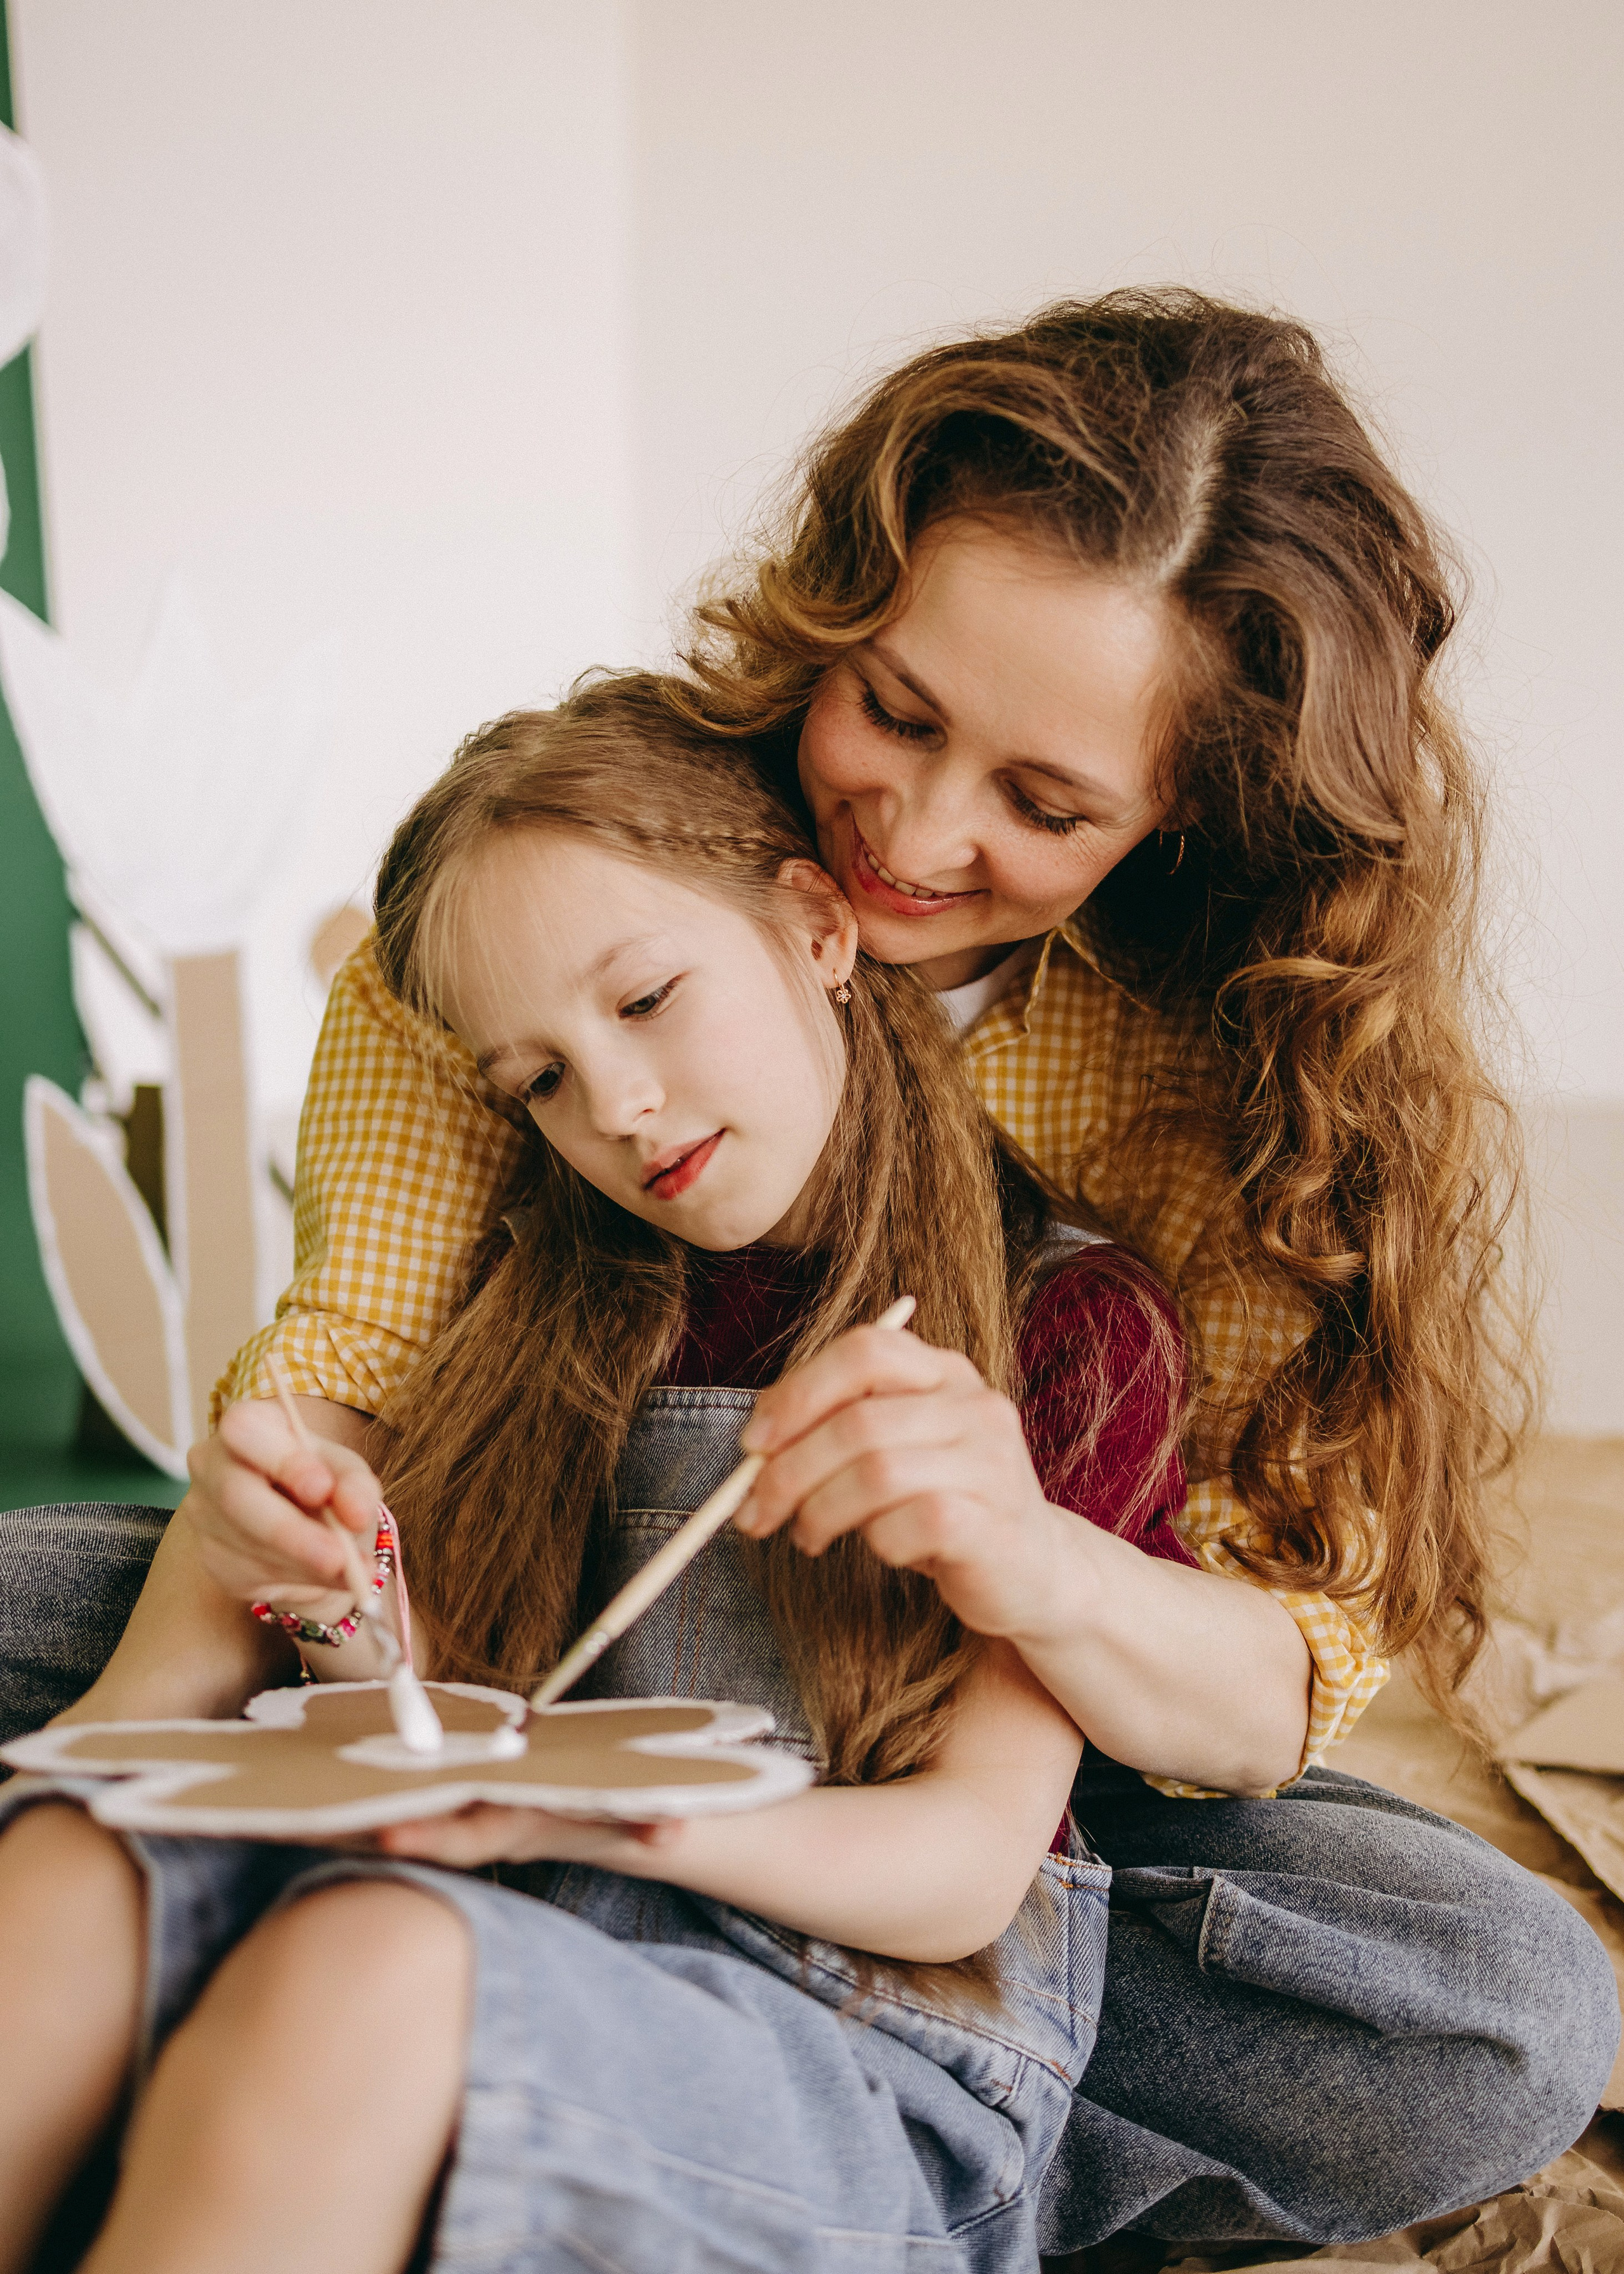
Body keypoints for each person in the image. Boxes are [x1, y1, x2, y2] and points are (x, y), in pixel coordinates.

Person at [1, 287, 1616, 2251]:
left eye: (1045, 805)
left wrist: (1018, 1560)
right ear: (841, 608)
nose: (913, 839)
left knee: (1482, 1989)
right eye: (902, 713)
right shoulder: (553, 887)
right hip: (520, 1596)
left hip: (987, 1713)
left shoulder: (1204, 1128)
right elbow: (353, 1394)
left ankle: (715, 2108)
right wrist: (210, 1669)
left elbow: (1258, 1677)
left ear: (1188, 804)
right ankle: (511, 2036)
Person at [0, 684, 1195, 2273]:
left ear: (817, 930)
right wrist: (342, 1609)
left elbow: (965, 1868)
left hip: (864, 2035)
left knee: (364, 1966)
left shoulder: (1068, 1324)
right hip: (531, 1909)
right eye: (538, 1082)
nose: (615, 1109)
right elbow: (462, 1702)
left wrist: (591, 1811)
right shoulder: (533, 1297)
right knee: (76, 1870)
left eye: (645, 1000)